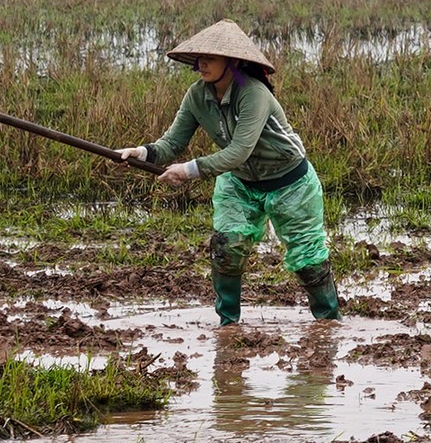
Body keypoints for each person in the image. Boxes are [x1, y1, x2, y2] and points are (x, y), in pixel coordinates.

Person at [118, 20, 340, 326]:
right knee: (226, 248)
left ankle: (329, 323)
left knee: (308, 261)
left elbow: (239, 150)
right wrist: (142, 152)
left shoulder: (254, 93)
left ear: (233, 61)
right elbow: (172, 142)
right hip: (239, 182)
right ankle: (228, 325)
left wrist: (189, 170)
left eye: (212, 57)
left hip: (290, 182)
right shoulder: (197, 95)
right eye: (200, 58)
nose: (203, 63)